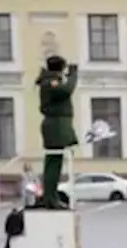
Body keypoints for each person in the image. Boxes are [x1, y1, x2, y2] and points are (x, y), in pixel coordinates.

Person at [35, 55, 77, 210]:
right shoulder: (50, 82)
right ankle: (50, 198)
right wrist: (73, 75)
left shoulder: (51, 81)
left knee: (55, 162)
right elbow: (66, 91)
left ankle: (51, 196)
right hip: (56, 125)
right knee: (53, 162)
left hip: (58, 124)